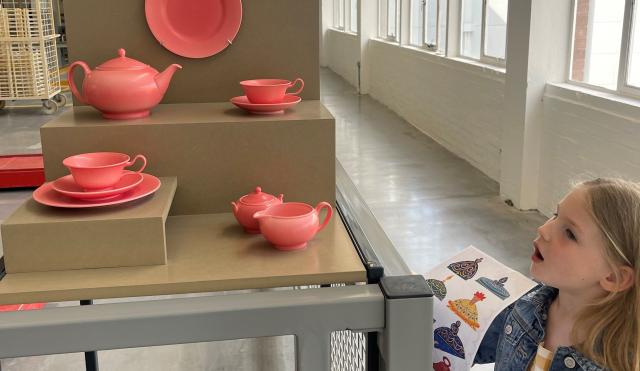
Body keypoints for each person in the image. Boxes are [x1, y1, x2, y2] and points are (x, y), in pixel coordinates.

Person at [474, 178, 639, 371]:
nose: (543, 229)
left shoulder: (617, 363)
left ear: (614, 277)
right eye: (555, 215)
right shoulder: (523, 306)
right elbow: (462, 345)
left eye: (570, 233)